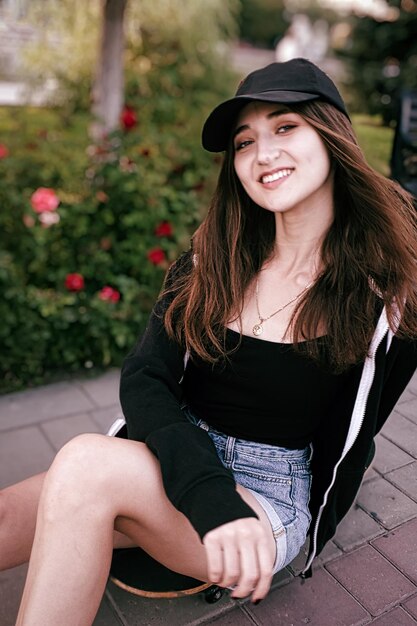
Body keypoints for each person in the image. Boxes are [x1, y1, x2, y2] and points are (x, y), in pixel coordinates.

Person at [2, 58, 417, 626]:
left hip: (266, 499)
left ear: (333, 134)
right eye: (244, 143)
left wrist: (300, 518)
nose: (262, 153)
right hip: (174, 459)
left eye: (285, 127)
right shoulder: (212, 261)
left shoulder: (385, 297)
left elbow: (358, 434)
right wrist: (204, 491)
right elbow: (146, 377)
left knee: (85, 466)